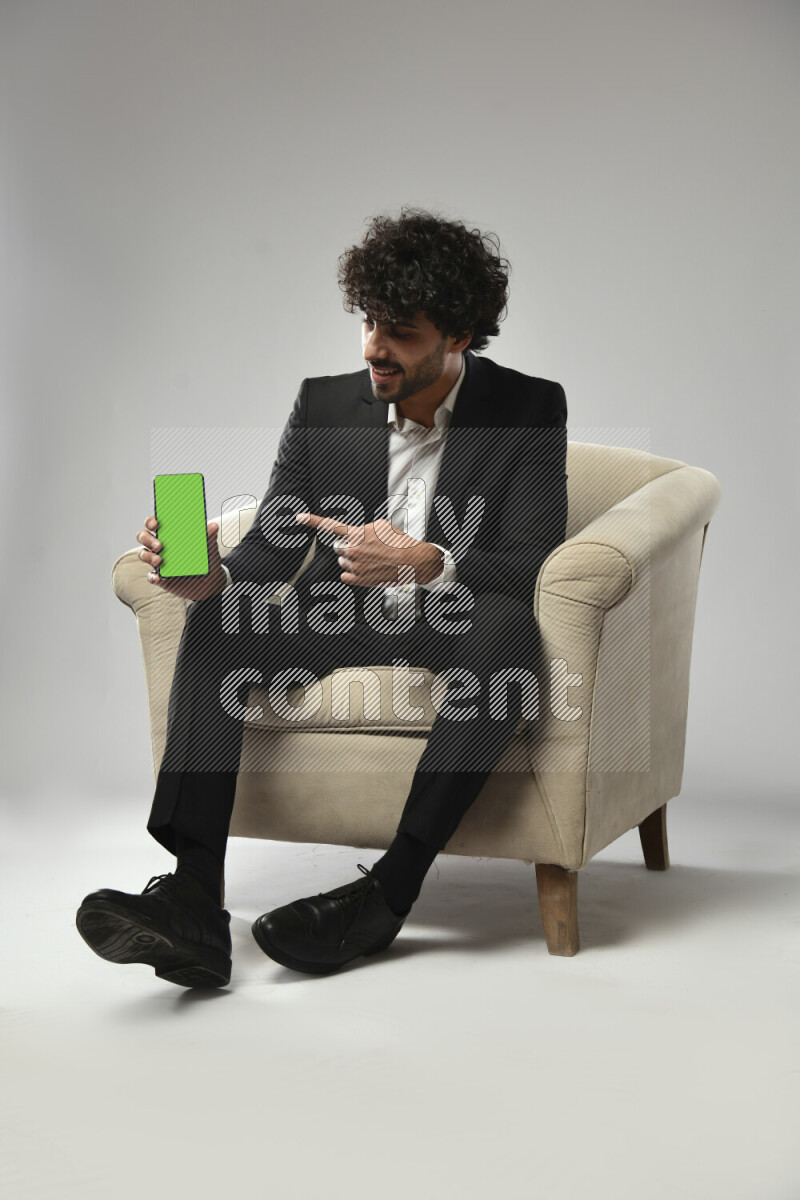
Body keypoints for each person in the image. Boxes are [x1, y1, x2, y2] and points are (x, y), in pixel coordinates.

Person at [76, 209, 568, 987]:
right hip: (347, 614)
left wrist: (426, 562)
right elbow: (275, 540)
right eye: (369, 322)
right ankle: (197, 902)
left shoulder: (529, 409)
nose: (374, 347)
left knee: (506, 633)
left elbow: (529, 561)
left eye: (400, 331)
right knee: (221, 619)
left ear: (459, 336)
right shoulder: (325, 404)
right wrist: (215, 575)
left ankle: (388, 892)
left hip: (456, 616)